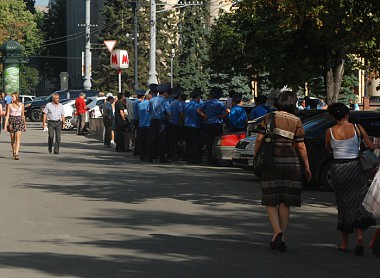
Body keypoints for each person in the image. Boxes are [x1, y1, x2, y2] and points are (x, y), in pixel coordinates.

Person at [253, 91, 312, 252]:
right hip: (291, 163)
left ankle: (276, 230)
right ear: (293, 103)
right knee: (285, 200)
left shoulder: (270, 117)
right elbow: (301, 145)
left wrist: (256, 156)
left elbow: (259, 139)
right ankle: (283, 237)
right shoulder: (296, 120)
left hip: (271, 162)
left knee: (270, 199)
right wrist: (306, 166)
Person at [325, 103, 376, 256]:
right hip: (356, 168)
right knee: (357, 202)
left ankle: (344, 243)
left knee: (343, 204)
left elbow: (328, 148)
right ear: (347, 114)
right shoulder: (357, 128)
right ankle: (360, 236)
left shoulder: (330, 131)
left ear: (333, 116)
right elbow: (371, 147)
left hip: (339, 169)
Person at [197, 87, 229, 164]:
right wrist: (222, 116)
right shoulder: (220, 104)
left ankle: (209, 158)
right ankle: (215, 159)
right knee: (216, 141)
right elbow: (228, 111)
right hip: (217, 124)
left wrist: (204, 116)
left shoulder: (207, 103)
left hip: (208, 124)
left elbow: (198, 110)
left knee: (209, 142)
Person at [149, 84, 171, 162]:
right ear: (164, 92)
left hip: (153, 120)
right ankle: (162, 157)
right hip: (161, 121)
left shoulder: (152, 100)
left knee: (152, 139)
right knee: (161, 139)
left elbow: (149, 110)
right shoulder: (165, 101)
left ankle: (150, 156)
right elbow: (168, 113)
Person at [3, 92, 26, 160]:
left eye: (12, 96)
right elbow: (7, 116)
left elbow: (23, 115)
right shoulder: (9, 105)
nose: (11, 98)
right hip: (12, 121)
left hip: (19, 121)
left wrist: (24, 124)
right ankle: (13, 151)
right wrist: (5, 126)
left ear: (16, 97)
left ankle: (16, 153)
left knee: (18, 138)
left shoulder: (21, 105)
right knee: (12, 139)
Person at [184, 88, 203, 164]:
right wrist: (205, 116)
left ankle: (188, 158)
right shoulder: (197, 105)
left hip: (187, 125)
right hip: (195, 126)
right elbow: (200, 113)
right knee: (195, 143)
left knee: (188, 143)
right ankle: (194, 159)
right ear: (197, 98)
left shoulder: (187, 104)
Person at [167, 86, 184, 161]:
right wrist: (181, 121)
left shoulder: (171, 103)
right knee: (179, 140)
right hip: (176, 124)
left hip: (171, 123)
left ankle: (171, 154)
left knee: (171, 140)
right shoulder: (178, 104)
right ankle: (178, 155)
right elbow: (181, 114)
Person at [138, 93, 152, 161]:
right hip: (148, 124)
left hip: (141, 124)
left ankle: (142, 156)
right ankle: (148, 156)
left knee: (142, 141)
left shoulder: (140, 104)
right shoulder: (150, 104)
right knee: (148, 141)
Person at [132, 90, 146, 156]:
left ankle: (136, 150)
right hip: (138, 119)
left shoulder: (134, 102)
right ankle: (138, 150)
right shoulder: (139, 103)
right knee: (140, 136)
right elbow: (140, 113)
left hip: (135, 119)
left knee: (137, 135)